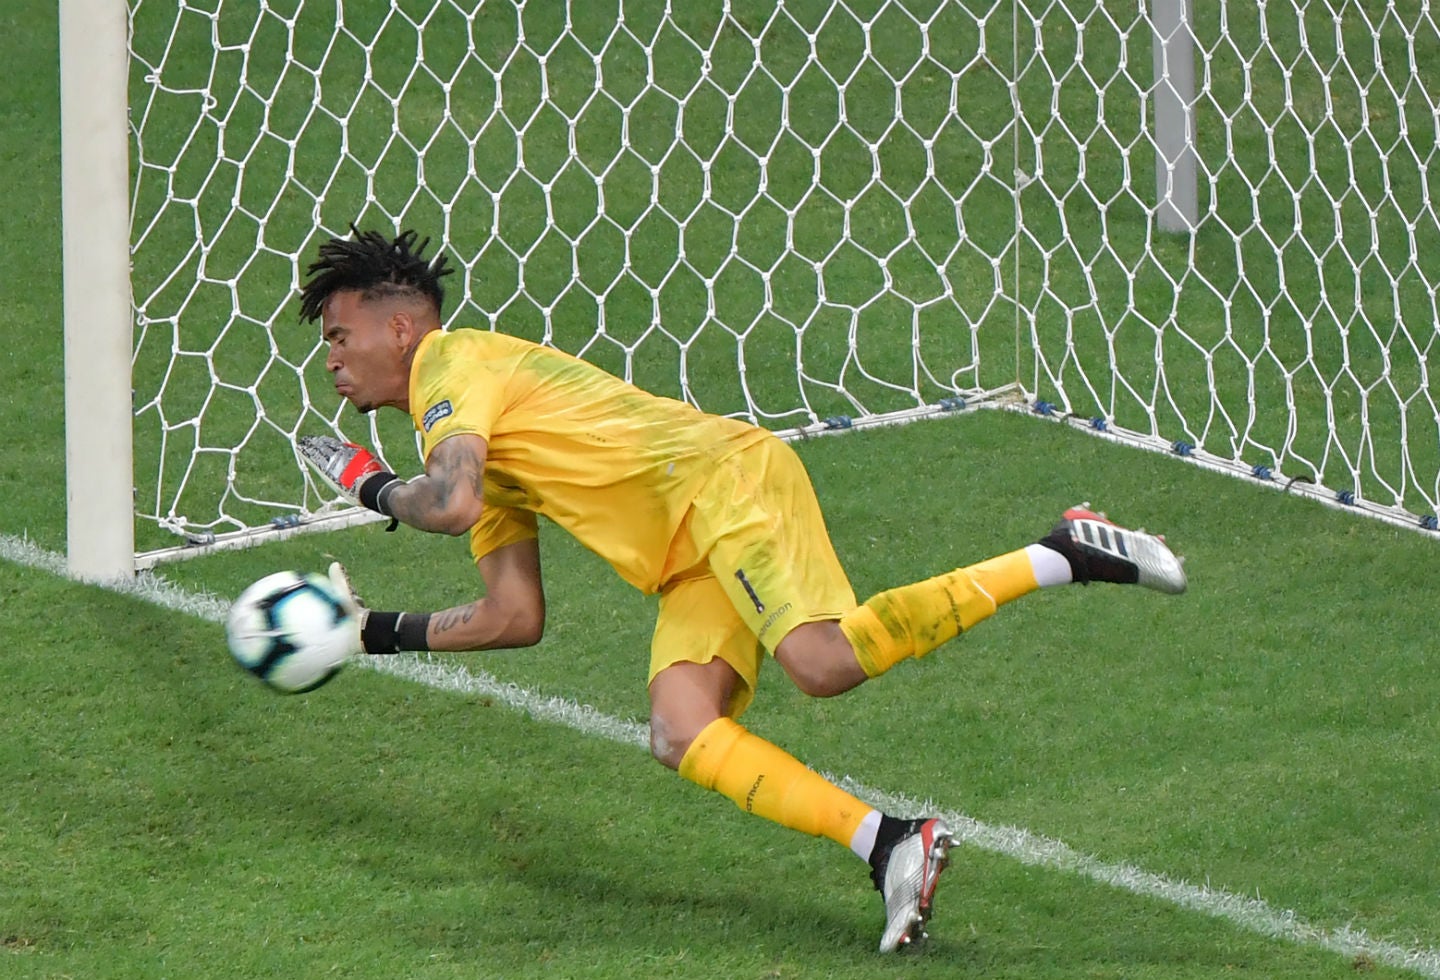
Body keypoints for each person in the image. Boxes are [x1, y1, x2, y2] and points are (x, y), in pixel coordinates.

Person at [295, 227, 1187, 953]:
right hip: (689, 554)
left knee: (822, 661)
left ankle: (1064, 551)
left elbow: (445, 504)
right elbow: (512, 615)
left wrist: (366, 484)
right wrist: (368, 633)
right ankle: (889, 843)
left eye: (339, 336)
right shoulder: (475, 433)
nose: (331, 360)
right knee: (680, 728)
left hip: (722, 483)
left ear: (400, 331)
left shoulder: (454, 367)